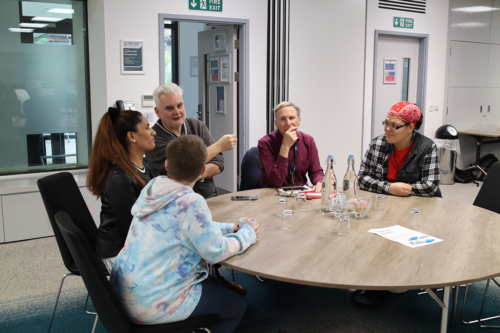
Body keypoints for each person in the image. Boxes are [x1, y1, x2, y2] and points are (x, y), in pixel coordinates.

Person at [110, 135, 259, 332]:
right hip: (152, 304)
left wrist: (230, 228)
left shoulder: (154, 188)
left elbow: (194, 227)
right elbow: (215, 252)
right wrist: (247, 234)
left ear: (166, 165)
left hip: (122, 295)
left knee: (215, 285)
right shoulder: (191, 202)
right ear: (203, 171)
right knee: (237, 307)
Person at [87, 107, 156, 271]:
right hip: (119, 253)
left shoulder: (142, 166)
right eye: (147, 127)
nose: (153, 132)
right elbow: (133, 230)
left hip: (138, 244)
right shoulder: (120, 179)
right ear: (132, 136)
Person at [145, 83, 237, 199]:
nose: (177, 112)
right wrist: (218, 146)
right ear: (157, 111)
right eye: (169, 108)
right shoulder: (154, 138)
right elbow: (180, 168)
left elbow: (218, 163)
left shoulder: (196, 126)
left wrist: (195, 176)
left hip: (210, 197)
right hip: (176, 204)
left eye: (179, 105)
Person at [358, 101, 440, 197]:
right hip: (386, 202)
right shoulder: (377, 144)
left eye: (394, 126)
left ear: (410, 127)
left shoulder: (427, 147)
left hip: (418, 205)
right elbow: (361, 178)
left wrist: (401, 190)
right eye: (386, 123)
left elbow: (430, 186)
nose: (387, 129)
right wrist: (389, 188)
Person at [258, 101, 324, 192]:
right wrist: (285, 146)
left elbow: (316, 172)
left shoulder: (308, 141)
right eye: (283, 119)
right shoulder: (265, 143)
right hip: (273, 194)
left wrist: (319, 182)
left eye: (292, 118)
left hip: (300, 194)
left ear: (299, 121)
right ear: (276, 123)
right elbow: (276, 182)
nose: (288, 123)